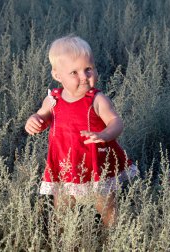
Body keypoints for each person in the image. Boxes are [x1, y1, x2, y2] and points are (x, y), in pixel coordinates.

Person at [25, 35, 137, 227]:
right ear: (57, 75)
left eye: (88, 69)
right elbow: (43, 117)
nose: (84, 77)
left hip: (95, 163)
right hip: (65, 163)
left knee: (106, 206)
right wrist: (34, 120)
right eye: (74, 72)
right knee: (61, 207)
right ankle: (62, 240)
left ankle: (112, 237)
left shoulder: (97, 99)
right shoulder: (53, 99)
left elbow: (116, 122)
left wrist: (104, 135)